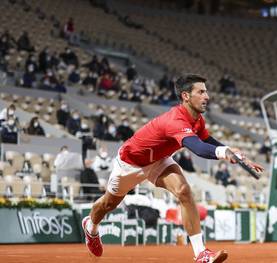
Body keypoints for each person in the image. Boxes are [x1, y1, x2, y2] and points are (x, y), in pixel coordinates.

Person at [81, 74, 264, 262]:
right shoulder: (174, 120)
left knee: (184, 191)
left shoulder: (198, 120)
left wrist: (230, 151)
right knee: (108, 205)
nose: (207, 96)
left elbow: (206, 140)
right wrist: (224, 152)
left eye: (206, 91)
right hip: (130, 163)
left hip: (159, 160)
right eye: (201, 92)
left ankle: (201, 253)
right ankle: (91, 227)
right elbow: (199, 148)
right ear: (186, 96)